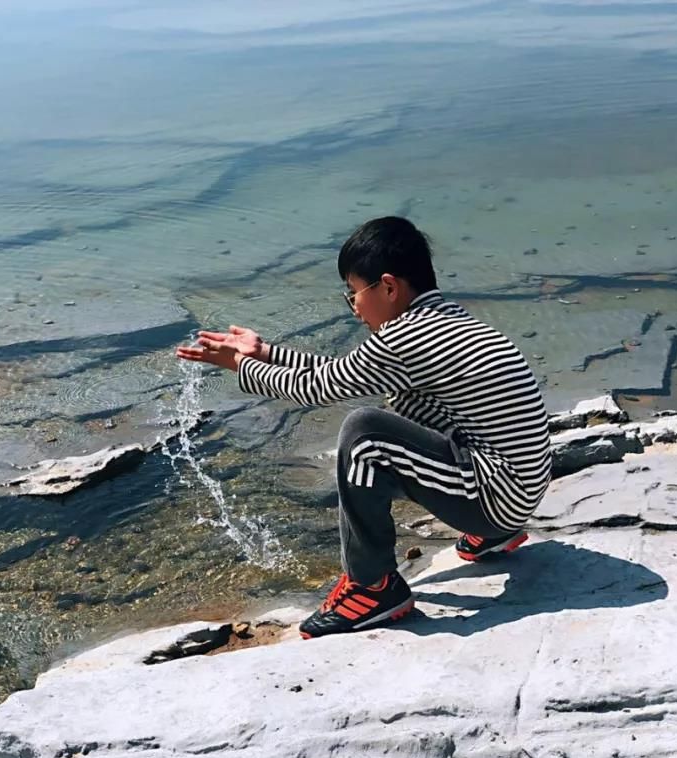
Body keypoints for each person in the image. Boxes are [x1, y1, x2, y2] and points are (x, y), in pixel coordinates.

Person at [175, 216, 551, 639]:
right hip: (520, 487)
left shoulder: (406, 337)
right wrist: (266, 352)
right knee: (402, 406)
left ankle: (373, 587)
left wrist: (242, 364)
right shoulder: (443, 319)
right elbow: (345, 373)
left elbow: (316, 389)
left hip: (497, 500)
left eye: (354, 293)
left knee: (364, 433)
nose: (353, 307)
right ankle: (492, 532)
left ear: (388, 288)